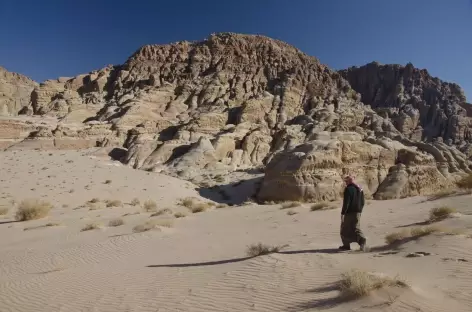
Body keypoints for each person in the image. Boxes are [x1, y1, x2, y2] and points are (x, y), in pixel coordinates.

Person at [339, 175, 367, 251]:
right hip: (358, 211)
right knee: (355, 227)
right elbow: (363, 202)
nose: (345, 182)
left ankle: (347, 245)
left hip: (349, 212)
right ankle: (361, 242)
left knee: (344, 229)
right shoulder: (360, 189)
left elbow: (346, 203)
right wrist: (360, 210)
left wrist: (343, 213)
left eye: (346, 181)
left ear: (349, 181)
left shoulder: (348, 189)